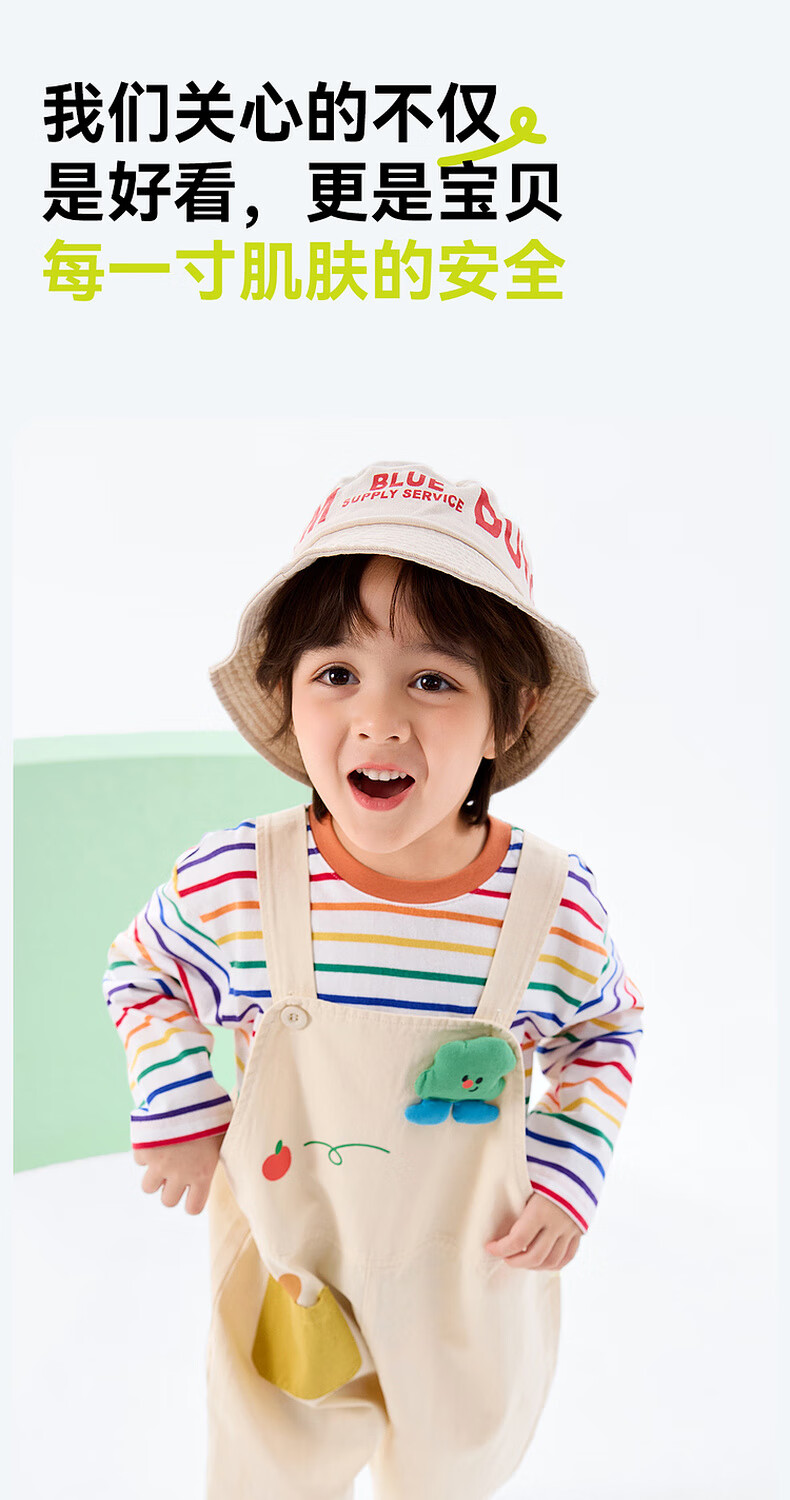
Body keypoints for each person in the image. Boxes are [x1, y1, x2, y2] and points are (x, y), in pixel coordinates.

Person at [103, 459, 645, 1500]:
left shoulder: (549, 904)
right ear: (286, 693)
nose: (380, 720)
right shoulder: (239, 879)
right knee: (268, 1469)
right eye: (337, 673)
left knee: (450, 1471)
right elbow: (143, 971)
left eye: (433, 680)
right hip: (289, 1266)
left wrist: (566, 1170)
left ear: (511, 713)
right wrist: (176, 1098)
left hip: (470, 1279)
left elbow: (605, 1032)